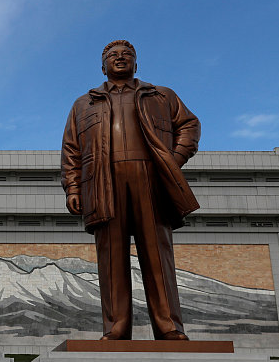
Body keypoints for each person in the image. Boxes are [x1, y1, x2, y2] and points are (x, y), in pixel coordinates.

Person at [61, 40, 201, 341]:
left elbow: (189, 126)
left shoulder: (161, 95)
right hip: (103, 182)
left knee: (157, 255)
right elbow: (71, 150)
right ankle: (116, 328)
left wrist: (173, 161)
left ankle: (169, 328)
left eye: (127, 55)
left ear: (136, 64)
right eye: (113, 56)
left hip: (151, 180)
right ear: (103, 66)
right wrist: (73, 187)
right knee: (111, 258)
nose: (120, 58)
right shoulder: (83, 104)